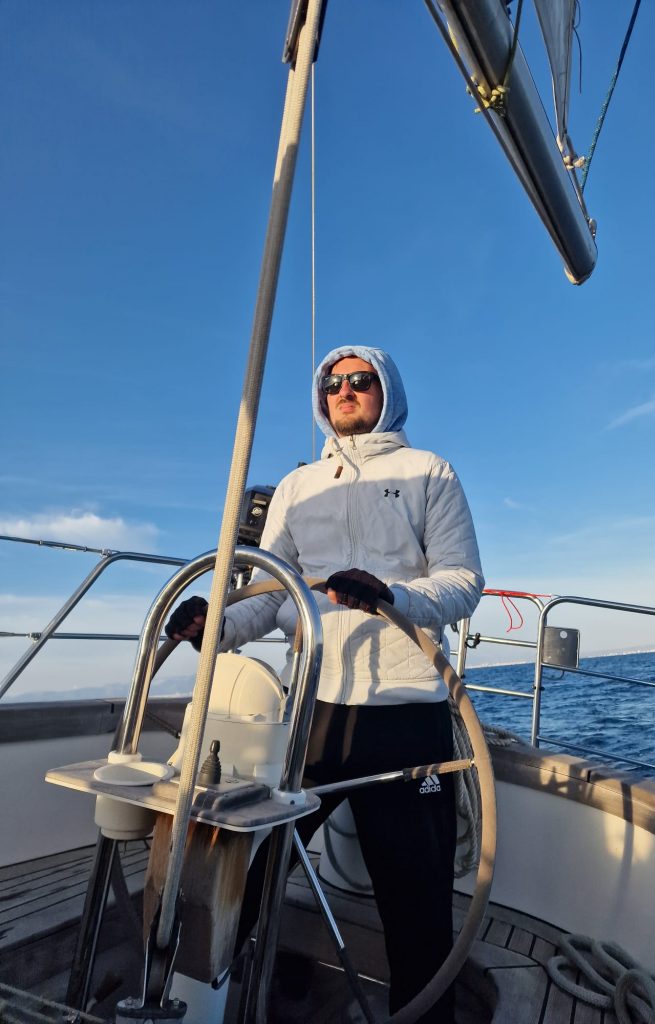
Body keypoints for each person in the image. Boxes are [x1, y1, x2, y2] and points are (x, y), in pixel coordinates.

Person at [165, 345, 484, 1022]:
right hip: (311, 711)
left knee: (417, 904)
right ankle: (199, 996)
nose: (345, 390)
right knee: (254, 866)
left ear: (386, 391)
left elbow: (462, 581)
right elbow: (268, 593)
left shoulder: (429, 471)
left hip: (405, 713)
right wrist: (213, 627)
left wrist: (392, 595)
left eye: (360, 380)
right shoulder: (298, 486)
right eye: (333, 382)